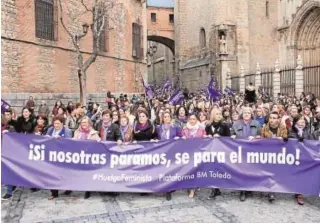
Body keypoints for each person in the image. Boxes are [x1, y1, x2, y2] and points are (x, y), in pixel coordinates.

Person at [231, 107, 261, 202]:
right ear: (242, 114)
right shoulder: (236, 124)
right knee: (241, 171)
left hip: (253, 151)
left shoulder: (256, 123)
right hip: (240, 150)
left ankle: (250, 188)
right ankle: (242, 190)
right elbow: (231, 134)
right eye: (245, 113)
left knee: (251, 170)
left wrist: (256, 137)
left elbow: (260, 135)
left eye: (248, 112)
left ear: (251, 114)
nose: (246, 114)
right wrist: (233, 136)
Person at [260, 111, 288, 202]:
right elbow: (261, 140)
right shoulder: (264, 128)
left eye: (274, 118)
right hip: (267, 153)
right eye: (271, 118)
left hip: (279, 154)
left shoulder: (283, 128)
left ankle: (273, 189)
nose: (272, 120)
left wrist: (283, 139)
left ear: (278, 119)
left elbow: (287, 138)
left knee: (275, 173)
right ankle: (270, 191)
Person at [205, 108, 231, 199]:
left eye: (220, 113)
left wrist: (220, 137)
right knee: (212, 169)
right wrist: (207, 137)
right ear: (213, 115)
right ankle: (214, 189)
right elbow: (205, 137)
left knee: (218, 170)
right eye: (217, 114)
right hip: (211, 152)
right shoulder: (208, 126)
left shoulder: (225, 125)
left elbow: (229, 138)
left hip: (221, 151)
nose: (219, 115)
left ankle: (216, 188)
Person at [155, 111, 181, 201]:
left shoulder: (175, 127)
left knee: (170, 171)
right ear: (162, 118)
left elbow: (180, 137)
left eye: (168, 116)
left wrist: (178, 138)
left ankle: (169, 190)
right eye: (165, 117)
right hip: (162, 153)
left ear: (171, 117)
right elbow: (155, 138)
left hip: (172, 152)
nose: (166, 118)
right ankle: (165, 187)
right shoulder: (158, 128)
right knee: (163, 171)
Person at [46, 115, 73, 200]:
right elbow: (45, 139)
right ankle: (54, 192)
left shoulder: (67, 131)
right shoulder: (50, 130)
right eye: (55, 123)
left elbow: (69, 142)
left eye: (58, 124)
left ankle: (68, 188)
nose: (56, 125)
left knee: (65, 174)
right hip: (52, 155)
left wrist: (61, 139)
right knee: (52, 174)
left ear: (62, 123)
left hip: (63, 155)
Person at [73, 116, 100, 199]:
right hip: (79, 155)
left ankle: (87, 190)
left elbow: (98, 141)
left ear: (89, 123)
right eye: (82, 122)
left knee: (88, 173)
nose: (83, 124)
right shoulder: (77, 132)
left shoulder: (94, 133)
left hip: (89, 156)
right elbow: (72, 141)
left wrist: (99, 140)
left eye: (85, 122)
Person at [288, 115, 313, 205]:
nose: (302, 121)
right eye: (300, 120)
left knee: (303, 174)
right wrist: (298, 139)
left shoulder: (307, 131)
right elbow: (289, 141)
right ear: (295, 121)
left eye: (303, 120)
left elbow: (312, 142)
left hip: (305, 156)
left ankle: (299, 194)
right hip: (294, 156)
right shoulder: (291, 130)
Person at [181, 114, 206, 198]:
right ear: (188, 120)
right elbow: (181, 138)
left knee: (195, 171)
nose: (192, 121)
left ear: (196, 120)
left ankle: (193, 189)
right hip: (188, 154)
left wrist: (206, 137)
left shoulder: (201, 129)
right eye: (190, 119)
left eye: (194, 119)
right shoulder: (184, 129)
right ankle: (191, 188)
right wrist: (182, 138)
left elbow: (205, 140)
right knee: (190, 171)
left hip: (198, 153)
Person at [1, 115, 16, 200]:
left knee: (7, 172)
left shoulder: (10, 128)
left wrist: (8, 134)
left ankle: (9, 192)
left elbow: (15, 139)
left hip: (7, 153)